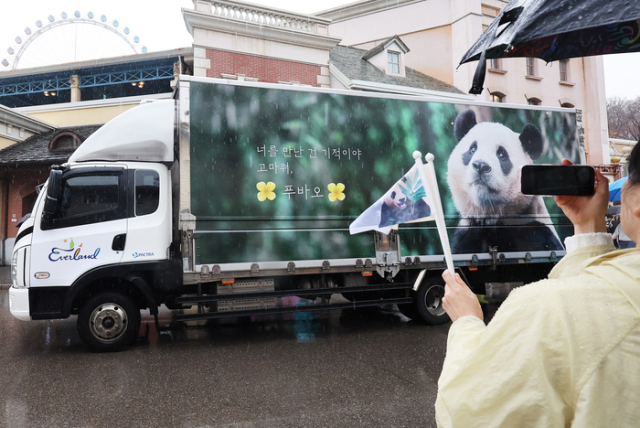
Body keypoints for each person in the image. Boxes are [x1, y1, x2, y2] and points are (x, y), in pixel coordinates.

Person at [435, 146, 640, 427]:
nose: (482, 164)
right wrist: (587, 225)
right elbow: (596, 296)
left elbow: (464, 412)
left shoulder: (543, 309)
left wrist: (466, 325)